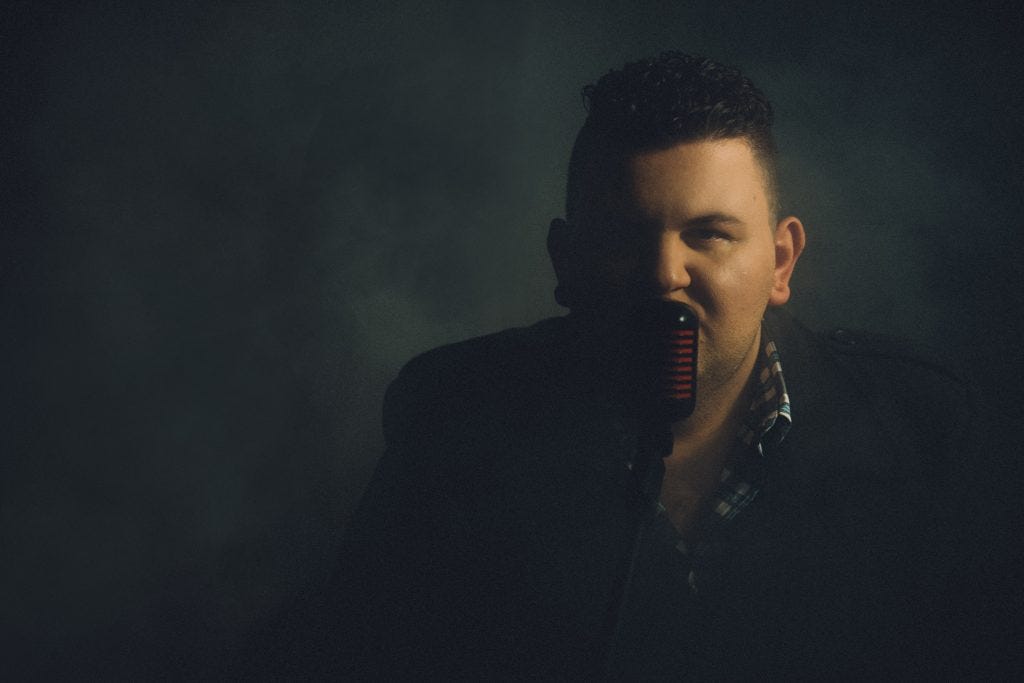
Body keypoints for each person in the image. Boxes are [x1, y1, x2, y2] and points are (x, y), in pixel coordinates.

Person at [269, 52, 1001, 679]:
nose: (664, 274)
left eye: (709, 235)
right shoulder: (455, 425)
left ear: (780, 262)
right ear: (566, 260)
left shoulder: (922, 429)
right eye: (624, 236)